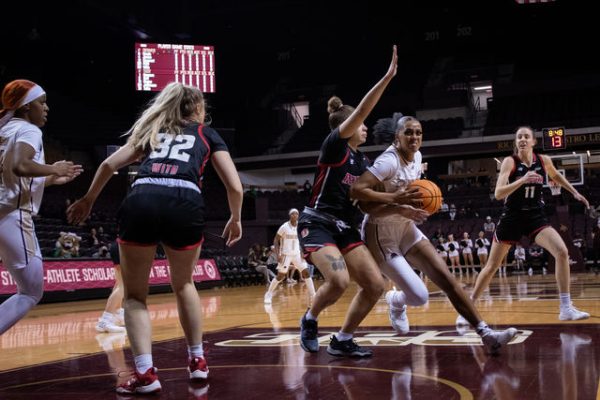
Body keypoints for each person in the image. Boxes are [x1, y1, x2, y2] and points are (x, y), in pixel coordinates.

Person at [67, 82, 243, 394]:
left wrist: (88, 200)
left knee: (135, 296)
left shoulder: (154, 130)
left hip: (143, 196)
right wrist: (235, 218)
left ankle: (146, 375)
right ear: (198, 108)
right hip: (185, 201)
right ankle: (198, 362)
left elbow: (109, 164)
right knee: (184, 284)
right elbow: (235, 187)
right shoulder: (206, 133)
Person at [351, 115, 517, 353]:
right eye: (408, 132)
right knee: (419, 297)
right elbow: (360, 198)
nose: (414, 137)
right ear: (396, 138)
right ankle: (395, 300)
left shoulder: (417, 157)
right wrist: (398, 206)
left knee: (448, 280)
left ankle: (487, 334)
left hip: (405, 226)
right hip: (380, 232)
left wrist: (416, 205)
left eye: (418, 132)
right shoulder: (387, 162)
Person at [298, 46, 410, 358]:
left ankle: (343, 339)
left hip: (345, 228)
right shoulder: (335, 147)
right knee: (338, 280)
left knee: (376, 286)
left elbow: (366, 204)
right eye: (360, 124)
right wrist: (388, 78)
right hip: (318, 224)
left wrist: (399, 206)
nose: (365, 127)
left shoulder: (362, 163)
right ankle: (309, 320)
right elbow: (361, 112)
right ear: (346, 128)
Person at [456, 126, 589, 326]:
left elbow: (555, 176)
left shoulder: (543, 161)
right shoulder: (510, 162)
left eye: (526, 136)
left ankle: (566, 308)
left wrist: (573, 192)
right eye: (519, 137)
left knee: (561, 252)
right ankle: (468, 309)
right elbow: (499, 193)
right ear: (516, 142)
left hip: (535, 216)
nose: (523, 139)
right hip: (512, 217)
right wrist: (522, 180)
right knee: (492, 266)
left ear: (533, 142)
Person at [0, 79, 82, 335]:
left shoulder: (5, 128)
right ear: (26, 107)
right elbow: (20, 166)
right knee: (31, 292)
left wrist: (50, 179)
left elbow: (14, 179)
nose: (46, 109)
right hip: (12, 217)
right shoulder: (29, 130)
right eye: (41, 103)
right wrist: (53, 168)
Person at [264, 208, 316, 304]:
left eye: (296, 214)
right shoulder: (284, 227)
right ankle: (268, 294)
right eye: (293, 214)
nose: (295, 215)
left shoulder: (299, 227)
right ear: (290, 215)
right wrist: (278, 253)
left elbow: (301, 240)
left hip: (296, 254)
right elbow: (276, 240)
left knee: (306, 273)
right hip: (285, 254)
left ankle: (313, 295)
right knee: (280, 276)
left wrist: (302, 251)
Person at [95, 240, 126, 333]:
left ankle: (117, 310)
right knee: (124, 285)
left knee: (120, 283)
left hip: (120, 245)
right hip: (124, 247)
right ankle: (105, 321)